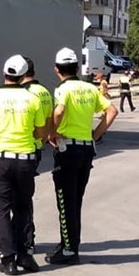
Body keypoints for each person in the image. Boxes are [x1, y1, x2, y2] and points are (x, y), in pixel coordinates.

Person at [0, 54, 47, 276]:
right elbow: (41, 134)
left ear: (4, 73)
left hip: (0, 161)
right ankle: (25, 254)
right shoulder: (33, 99)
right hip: (26, 160)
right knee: (24, 207)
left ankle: (8, 260)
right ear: (24, 75)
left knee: (2, 208)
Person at [46, 47, 118, 265]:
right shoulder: (89, 88)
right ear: (77, 68)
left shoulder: (63, 89)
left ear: (57, 70)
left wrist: (52, 132)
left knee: (65, 200)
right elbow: (112, 110)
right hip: (86, 149)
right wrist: (95, 135)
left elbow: (58, 112)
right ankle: (69, 243)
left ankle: (69, 251)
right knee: (76, 199)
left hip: (68, 149)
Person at [20, 56, 53, 255]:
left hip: (23, 148)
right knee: (25, 196)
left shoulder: (26, 94)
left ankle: (22, 238)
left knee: (17, 198)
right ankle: (27, 239)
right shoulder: (45, 92)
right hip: (37, 149)